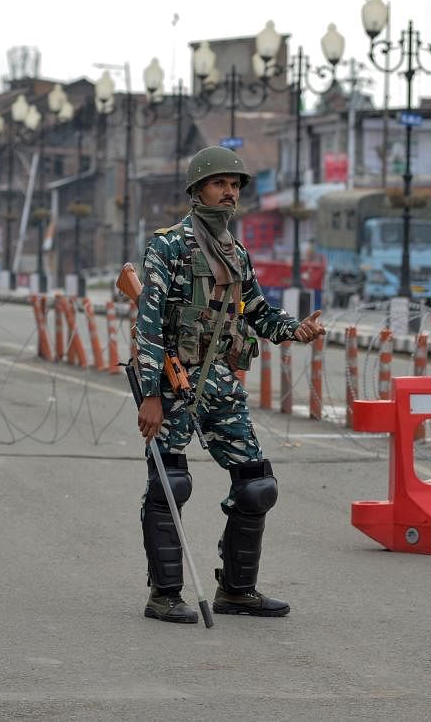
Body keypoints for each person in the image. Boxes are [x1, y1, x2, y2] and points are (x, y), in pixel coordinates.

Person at [133, 145, 325, 624]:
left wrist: (295, 330)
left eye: (235, 186)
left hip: (220, 386)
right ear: (197, 189)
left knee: (258, 486)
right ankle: (165, 593)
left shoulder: (235, 252)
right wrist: (152, 395)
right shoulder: (170, 245)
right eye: (220, 184)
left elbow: (256, 311)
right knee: (170, 484)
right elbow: (149, 322)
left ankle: (237, 590)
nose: (230, 193)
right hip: (175, 387)